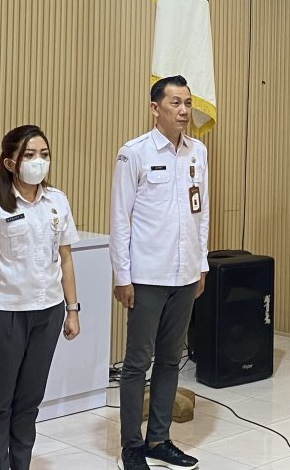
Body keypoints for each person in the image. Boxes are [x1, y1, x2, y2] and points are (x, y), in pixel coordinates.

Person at [0, 125, 83, 470]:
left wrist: (72, 309)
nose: (38, 162)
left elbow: (65, 258)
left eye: (44, 154)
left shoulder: (57, 201)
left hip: (48, 312)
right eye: (29, 155)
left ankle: (21, 463)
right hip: (6, 313)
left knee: (29, 400)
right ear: (9, 163)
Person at [111, 75, 209, 470]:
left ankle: (159, 439)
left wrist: (201, 264)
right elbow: (120, 218)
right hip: (147, 275)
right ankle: (131, 446)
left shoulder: (198, 151)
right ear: (155, 108)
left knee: (170, 360)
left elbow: (201, 212)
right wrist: (122, 275)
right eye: (175, 103)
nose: (183, 111)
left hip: (185, 274)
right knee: (137, 362)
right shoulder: (133, 153)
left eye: (187, 103)